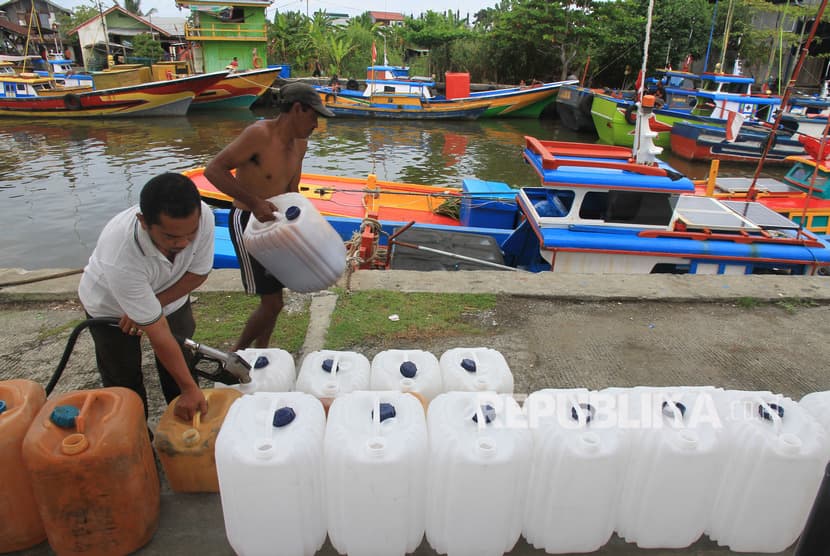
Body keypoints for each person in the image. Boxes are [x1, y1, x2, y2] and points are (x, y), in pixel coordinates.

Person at [204, 83, 334, 351]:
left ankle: (261, 351)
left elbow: (292, 191)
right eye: (314, 116)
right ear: (298, 109)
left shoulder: (301, 144)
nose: (315, 124)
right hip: (248, 223)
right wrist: (254, 203)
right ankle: (236, 353)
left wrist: (308, 227)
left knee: (276, 299)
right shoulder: (258, 135)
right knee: (272, 302)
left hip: (278, 224)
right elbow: (213, 170)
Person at [78, 172, 213, 421]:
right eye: (170, 237)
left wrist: (151, 305)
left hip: (169, 294)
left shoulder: (204, 217)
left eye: (190, 233)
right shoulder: (120, 251)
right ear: (143, 221)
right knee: (123, 380)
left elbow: (198, 274)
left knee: (181, 366)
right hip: (111, 307)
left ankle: (185, 433)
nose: (183, 243)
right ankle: (137, 441)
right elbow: (158, 332)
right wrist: (190, 388)